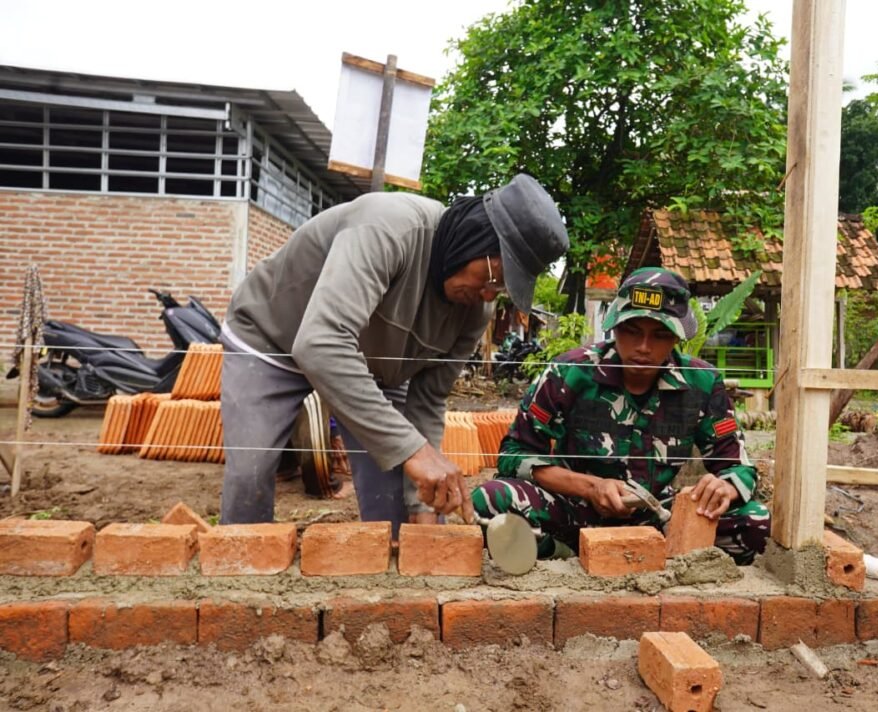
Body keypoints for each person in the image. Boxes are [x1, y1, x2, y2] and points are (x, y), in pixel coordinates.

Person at [219, 174, 569, 534]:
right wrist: (414, 451)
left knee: (397, 504)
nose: (489, 294)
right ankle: (238, 559)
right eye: (495, 277)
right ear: (475, 238)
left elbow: (428, 398)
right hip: (271, 339)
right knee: (250, 475)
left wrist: (423, 504)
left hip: (373, 368)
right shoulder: (389, 229)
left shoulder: (475, 310)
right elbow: (320, 344)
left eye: (503, 289)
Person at [471, 267, 769, 565]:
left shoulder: (702, 383)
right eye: (632, 330)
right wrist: (592, 487)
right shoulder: (569, 372)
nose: (643, 347)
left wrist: (725, 487)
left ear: (677, 337)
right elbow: (513, 455)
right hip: (570, 513)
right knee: (490, 501)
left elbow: (738, 466)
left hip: (657, 519)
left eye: (660, 334)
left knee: (754, 520)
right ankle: (568, 556)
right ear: (615, 327)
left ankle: (658, 557)